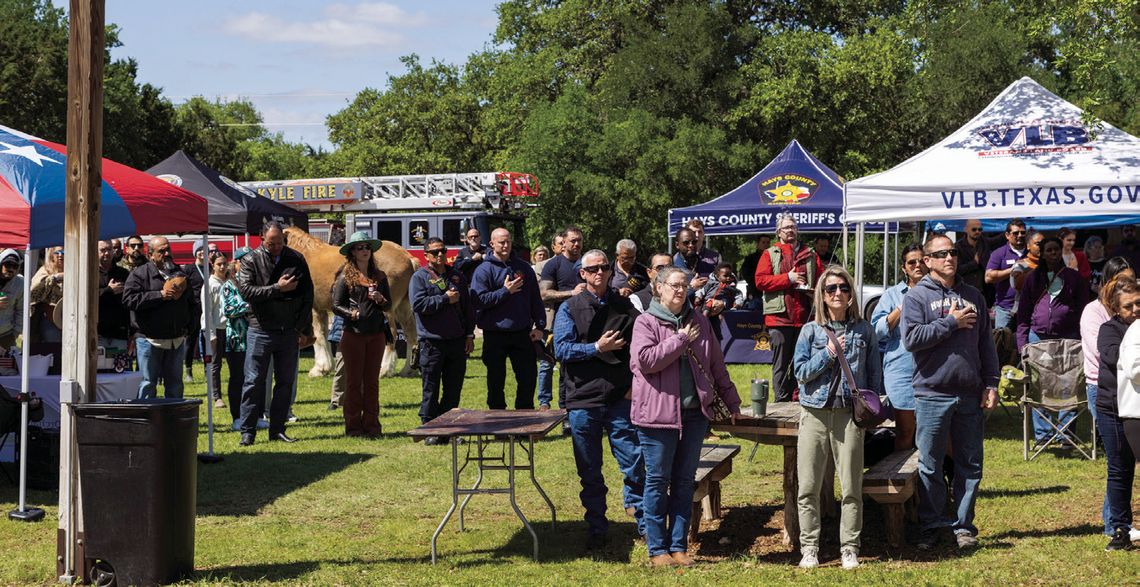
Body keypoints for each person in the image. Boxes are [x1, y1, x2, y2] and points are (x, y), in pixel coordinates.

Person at [630, 266, 741, 567]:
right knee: (656, 481)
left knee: (683, 482)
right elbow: (645, 361)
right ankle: (657, 549)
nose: (680, 290)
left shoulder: (700, 322)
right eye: (674, 285)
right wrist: (678, 340)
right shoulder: (645, 322)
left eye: (684, 286)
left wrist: (732, 402)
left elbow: (716, 365)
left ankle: (678, 546)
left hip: (694, 416)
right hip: (656, 417)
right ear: (659, 288)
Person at [902, 234, 999, 552]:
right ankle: (931, 525)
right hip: (931, 393)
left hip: (969, 393)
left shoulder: (974, 296)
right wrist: (951, 323)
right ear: (927, 260)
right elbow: (912, 339)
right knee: (929, 464)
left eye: (954, 253)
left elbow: (986, 343)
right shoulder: (916, 298)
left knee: (970, 464)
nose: (949, 258)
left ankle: (963, 526)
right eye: (941, 254)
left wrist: (992, 382)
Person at [553, 249, 645, 552]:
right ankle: (597, 528)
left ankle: (645, 524)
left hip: (619, 397)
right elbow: (561, 350)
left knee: (633, 464)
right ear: (582, 273)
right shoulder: (570, 308)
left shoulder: (624, 306)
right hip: (583, 399)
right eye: (592, 269)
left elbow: (641, 347)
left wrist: (634, 383)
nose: (599, 273)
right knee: (590, 471)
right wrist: (595, 347)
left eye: (604, 267)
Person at [792, 264, 881, 570]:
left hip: (848, 415)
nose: (839, 293)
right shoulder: (810, 330)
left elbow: (873, 378)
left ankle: (850, 548)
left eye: (844, 288)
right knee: (808, 486)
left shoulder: (864, 330)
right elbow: (800, 373)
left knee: (852, 486)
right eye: (831, 289)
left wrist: (871, 411)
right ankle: (810, 547)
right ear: (822, 295)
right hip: (814, 413)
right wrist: (828, 353)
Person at [236, 221, 315, 446]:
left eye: (280, 242)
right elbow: (246, 292)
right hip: (260, 330)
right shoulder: (251, 260)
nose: (277, 246)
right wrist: (277, 288)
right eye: (272, 243)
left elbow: (307, 296)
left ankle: (277, 429)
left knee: (285, 383)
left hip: (288, 331)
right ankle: (248, 431)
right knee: (253, 382)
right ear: (262, 239)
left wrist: (301, 329)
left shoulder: (296, 259)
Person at [1080, 258, 1134, 537]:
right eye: (1122, 281)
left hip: (1130, 391)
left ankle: (1117, 522)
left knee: (1124, 460)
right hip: (1102, 389)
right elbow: (1106, 355)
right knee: (1119, 460)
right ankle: (1114, 524)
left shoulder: (1133, 316)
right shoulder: (1095, 315)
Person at [470, 227, 545, 410]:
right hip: (495, 333)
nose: (505, 245)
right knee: (496, 379)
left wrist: (540, 325)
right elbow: (478, 300)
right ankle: (497, 417)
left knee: (527, 377)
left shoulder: (523, 267)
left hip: (522, 332)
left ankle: (524, 414)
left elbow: (535, 298)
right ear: (492, 244)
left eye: (508, 242)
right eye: (501, 242)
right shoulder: (483, 270)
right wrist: (505, 291)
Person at [410, 237, 475, 445]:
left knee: (453, 388)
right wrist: (445, 299)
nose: (440, 255)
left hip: (456, 340)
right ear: (426, 255)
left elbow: (467, 307)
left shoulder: (457, 276)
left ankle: (450, 430)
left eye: (443, 251)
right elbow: (419, 305)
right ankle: (430, 428)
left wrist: (469, 334)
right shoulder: (419, 278)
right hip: (432, 342)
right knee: (431, 387)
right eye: (435, 252)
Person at [754, 214, 824, 402]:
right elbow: (760, 281)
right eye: (786, 228)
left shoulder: (810, 253)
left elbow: (821, 279)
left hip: (805, 317)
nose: (790, 230)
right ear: (778, 232)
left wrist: (814, 290)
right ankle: (781, 401)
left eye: (793, 226)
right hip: (779, 318)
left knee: (803, 361)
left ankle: (800, 399)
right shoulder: (770, 253)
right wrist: (788, 279)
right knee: (781, 364)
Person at [330, 231, 391, 438]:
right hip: (353, 334)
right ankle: (354, 427)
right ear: (352, 253)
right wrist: (352, 313)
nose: (364, 250)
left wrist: (381, 298)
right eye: (359, 247)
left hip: (377, 334)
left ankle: (373, 426)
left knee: (372, 382)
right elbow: (336, 305)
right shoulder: (345, 276)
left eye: (367, 247)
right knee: (354, 382)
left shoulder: (380, 276)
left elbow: (389, 305)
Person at [1096, 276, 1140, 550]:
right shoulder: (1109, 330)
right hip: (1112, 408)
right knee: (1120, 468)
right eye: (1128, 306)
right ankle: (1120, 528)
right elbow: (1113, 358)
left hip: (1136, 408)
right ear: (1116, 308)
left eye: (1139, 303)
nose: (1135, 310)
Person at [871, 243, 928, 451]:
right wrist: (900, 309)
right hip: (901, 371)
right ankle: (902, 480)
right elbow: (875, 332)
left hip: (932, 371)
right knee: (905, 432)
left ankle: (931, 481)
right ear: (904, 268)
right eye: (911, 262)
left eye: (922, 260)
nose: (917, 265)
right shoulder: (892, 294)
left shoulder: (939, 292)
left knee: (932, 433)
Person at [122, 237, 192, 399]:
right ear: (150, 254)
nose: (167, 253)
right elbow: (128, 300)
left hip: (176, 339)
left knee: (175, 385)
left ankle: (171, 422)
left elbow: (191, 303)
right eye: (161, 251)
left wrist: (187, 326)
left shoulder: (179, 272)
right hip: (149, 339)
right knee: (147, 384)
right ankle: (147, 422)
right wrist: (159, 295)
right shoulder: (139, 274)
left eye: (168, 249)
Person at [540, 226, 586, 409]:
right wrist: (571, 293)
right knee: (555, 365)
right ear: (563, 242)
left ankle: (573, 406)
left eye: (579, 241)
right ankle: (554, 405)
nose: (576, 244)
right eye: (573, 240)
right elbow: (544, 294)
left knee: (576, 367)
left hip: (585, 320)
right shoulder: (554, 264)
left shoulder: (587, 262)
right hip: (561, 321)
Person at [221, 248, 253, 428]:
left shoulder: (254, 281)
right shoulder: (229, 285)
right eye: (246, 260)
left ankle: (254, 416)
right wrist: (251, 305)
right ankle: (237, 417)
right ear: (238, 263)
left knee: (255, 379)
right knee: (237, 379)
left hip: (255, 338)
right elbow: (229, 310)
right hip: (236, 340)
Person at [985, 219, 1028, 330]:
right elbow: (988, 277)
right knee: (1002, 342)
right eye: (1015, 233)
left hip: (1029, 307)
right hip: (1005, 309)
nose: (1020, 235)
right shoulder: (999, 253)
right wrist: (1013, 269)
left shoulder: (1032, 252)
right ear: (1007, 235)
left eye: (1023, 232)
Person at [204, 251, 229, 410]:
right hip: (216, 329)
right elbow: (207, 312)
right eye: (219, 264)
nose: (222, 266)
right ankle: (216, 396)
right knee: (215, 364)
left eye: (224, 263)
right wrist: (211, 334)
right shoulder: (210, 284)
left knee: (234, 363)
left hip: (230, 329)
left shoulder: (228, 282)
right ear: (213, 265)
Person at [96, 240, 131, 351]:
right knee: (98, 368)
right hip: (97, 333)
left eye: (109, 249)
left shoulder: (123, 273)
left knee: (120, 368)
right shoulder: (89, 272)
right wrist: (109, 290)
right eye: (102, 250)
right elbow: (86, 297)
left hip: (119, 333)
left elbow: (129, 301)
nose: (107, 253)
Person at [694, 263, 744, 338]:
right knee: (708, 304)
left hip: (719, 309)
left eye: (730, 276)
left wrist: (737, 305)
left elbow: (738, 295)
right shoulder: (711, 283)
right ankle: (703, 321)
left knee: (716, 326)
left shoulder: (730, 288)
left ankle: (717, 338)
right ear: (717, 276)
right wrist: (698, 297)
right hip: (706, 302)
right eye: (725, 276)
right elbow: (702, 290)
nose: (728, 278)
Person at [182, 242, 208, 382]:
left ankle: (207, 370)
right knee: (191, 340)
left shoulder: (211, 267)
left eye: (204, 249)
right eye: (199, 250)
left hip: (208, 308)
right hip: (194, 309)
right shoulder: (189, 268)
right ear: (195, 252)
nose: (202, 252)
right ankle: (188, 372)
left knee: (207, 341)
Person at [29, 246, 64, 343]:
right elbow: (33, 290)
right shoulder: (45, 270)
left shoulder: (75, 270)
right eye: (58, 252)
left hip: (72, 320)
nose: (61, 255)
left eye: (64, 252)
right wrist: (55, 278)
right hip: (50, 320)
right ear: (52, 255)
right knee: (54, 348)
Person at [955, 219, 991, 292]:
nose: (977, 232)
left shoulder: (984, 243)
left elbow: (999, 240)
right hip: (965, 289)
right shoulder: (958, 247)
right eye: (974, 229)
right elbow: (956, 270)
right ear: (966, 229)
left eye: (980, 229)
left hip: (984, 290)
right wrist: (974, 263)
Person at [739, 234, 771, 310]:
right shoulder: (750, 258)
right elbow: (745, 273)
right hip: (755, 293)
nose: (766, 245)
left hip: (770, 293)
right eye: (763, 242)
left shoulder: (773, 258)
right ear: (757, 244)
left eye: (768, 242)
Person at [0, 250, 23, 349]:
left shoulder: (20, 283)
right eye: (7, 265)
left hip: (6, 334)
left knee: (7, 364)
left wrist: (16, 332)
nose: (10, 269)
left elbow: (21, 310)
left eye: (14, 266)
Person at [327, 313, 345, 412]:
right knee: (341, 369)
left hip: (366, 329)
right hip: (344, 330)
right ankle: (337, 401)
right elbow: (336, 305)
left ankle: (363, 399)